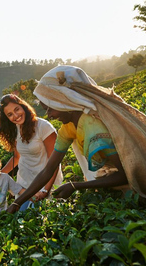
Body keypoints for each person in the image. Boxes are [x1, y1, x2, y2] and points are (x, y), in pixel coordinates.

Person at [8, 65, 146, 213]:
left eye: (50, 108)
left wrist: (76, 186)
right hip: (113, 191)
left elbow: (125, 175)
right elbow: (48, 170)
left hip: (135, 193)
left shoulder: (93, 127)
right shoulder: (69, 127)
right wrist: (17, 203)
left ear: (63, 102)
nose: (49, 115)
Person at [0, 94, 62, 210]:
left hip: (44, 184)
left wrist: (46, 189)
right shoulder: (16, 129)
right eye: (10, 114)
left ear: (23, 107)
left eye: (17, 109)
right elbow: (17, 157)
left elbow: (54, 162)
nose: (16, 116)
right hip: (24, 186)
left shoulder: (43, 127)